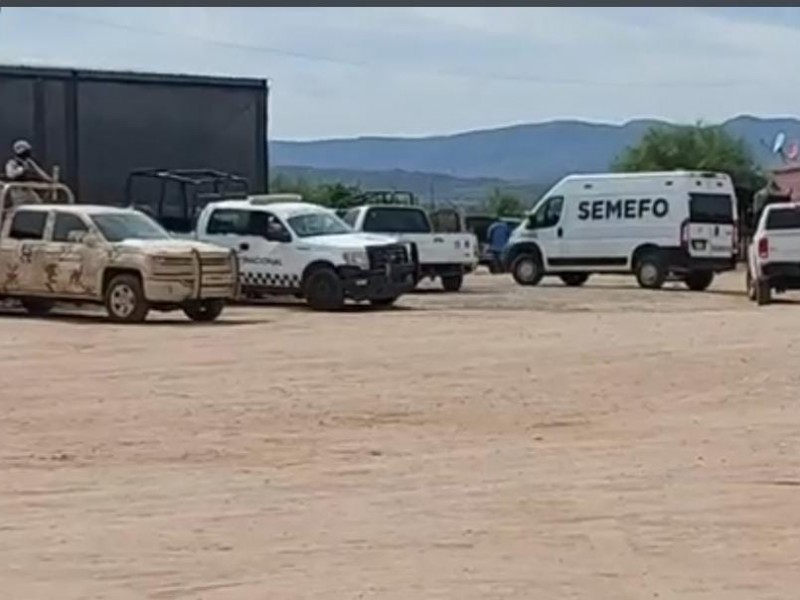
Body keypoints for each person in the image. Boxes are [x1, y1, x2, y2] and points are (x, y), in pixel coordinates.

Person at [3, 140, 52, 209]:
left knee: (38, 203)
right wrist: (20, 170)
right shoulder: (12, 162)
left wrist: (49, 179)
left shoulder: (29, 162)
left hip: (27, 188)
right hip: (17, 190)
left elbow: (39, 171)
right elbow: (10, 175)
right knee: (19, 207)